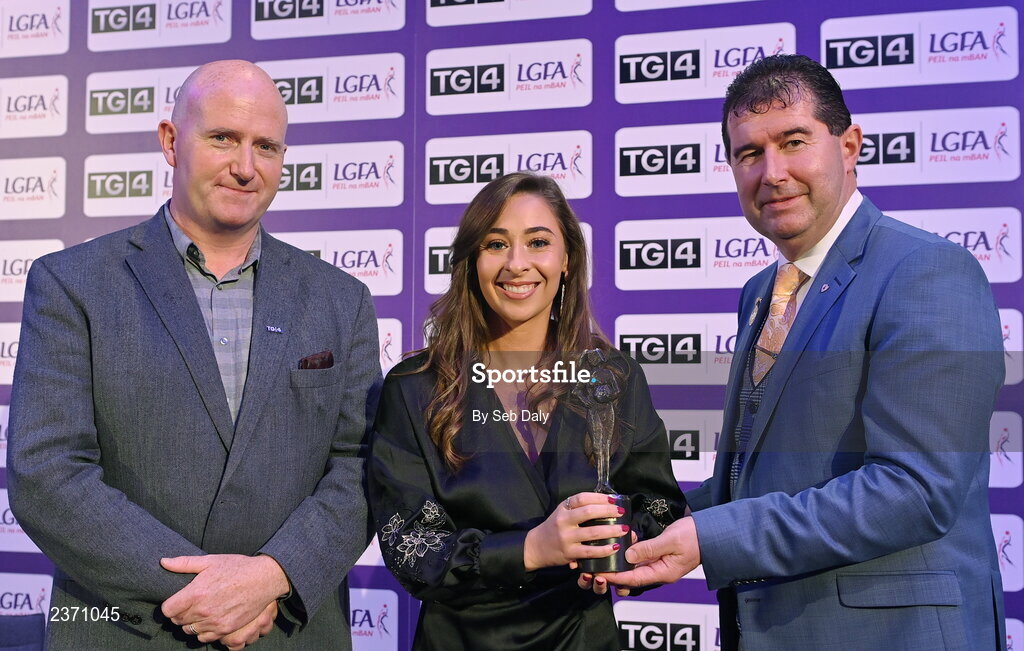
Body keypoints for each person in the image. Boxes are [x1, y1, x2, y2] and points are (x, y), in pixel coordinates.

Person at [603, 54, 1006, 649]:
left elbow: (915, 491)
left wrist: (711, 539)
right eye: (749, 153)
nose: (772, 173)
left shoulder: (927, 272)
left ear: (849, 146)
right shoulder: (760, 292)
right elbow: (765, 479)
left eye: (793, 142)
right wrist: (651, 523)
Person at [7, 60, 381, 650]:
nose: (246, 166)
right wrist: (207, 594)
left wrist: (273, 576)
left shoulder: (342, 299)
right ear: (170, 142)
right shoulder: (72, 283)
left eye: (266, 146)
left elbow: (362, 465)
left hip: (288, 630)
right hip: (128, 632)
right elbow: (47, 472)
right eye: (223, 138)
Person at [367, 172, 686, 650]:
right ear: (471, 261)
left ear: (567, 259)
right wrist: (531, 549)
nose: (517, 264)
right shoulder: (415, 387)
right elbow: (410, 547)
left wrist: (617, 544)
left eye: (538, 242)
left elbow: (660, 507)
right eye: (496, 244)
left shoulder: (612, 378)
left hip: (584, 638)